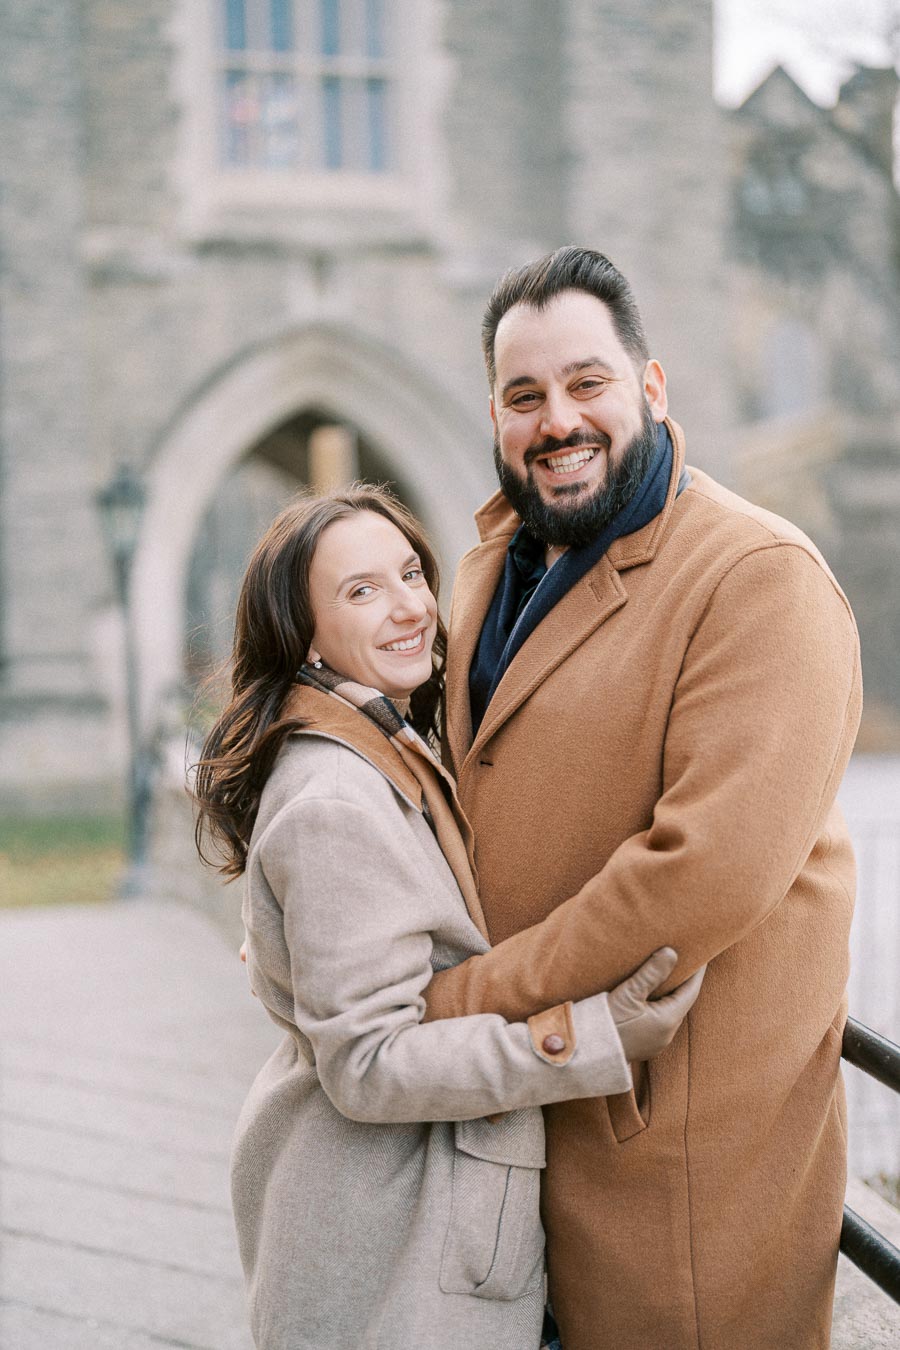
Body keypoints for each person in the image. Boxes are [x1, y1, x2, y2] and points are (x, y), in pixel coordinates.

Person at [420, 246, 863, 1350]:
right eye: (524, 397)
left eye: (587, 383)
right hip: (519, 1141)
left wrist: (461, 1001)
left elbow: (691, 880)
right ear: (494, 416)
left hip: (676, 1174)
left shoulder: (760, 578)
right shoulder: (490, 565)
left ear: (651, 390)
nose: (556, 419)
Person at [192, 486, 703, 1350]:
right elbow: (368, 1064)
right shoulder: (334, 799)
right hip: (388, 1233)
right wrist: (585, 1037)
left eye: (410, 574)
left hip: (398, 1217)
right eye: (361, 591)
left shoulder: (378, 743)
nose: (410, 609)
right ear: (303, 633)